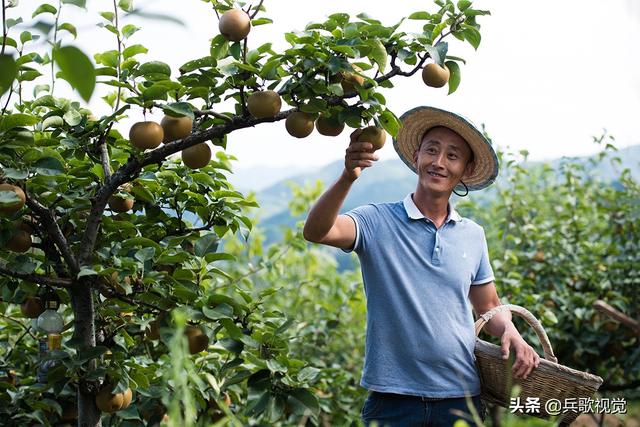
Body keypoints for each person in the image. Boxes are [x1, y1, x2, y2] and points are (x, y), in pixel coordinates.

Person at [302, 106, 541, 426]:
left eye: (452, 155)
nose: (439, 162)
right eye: (432, 150)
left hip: (461, 397)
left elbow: (489, 306)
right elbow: (317, 231)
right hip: (393, 400)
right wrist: (348, 177)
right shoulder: (376, 221)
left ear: (465, 170)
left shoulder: (472, 235)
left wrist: (510, 329)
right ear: (416, 157)